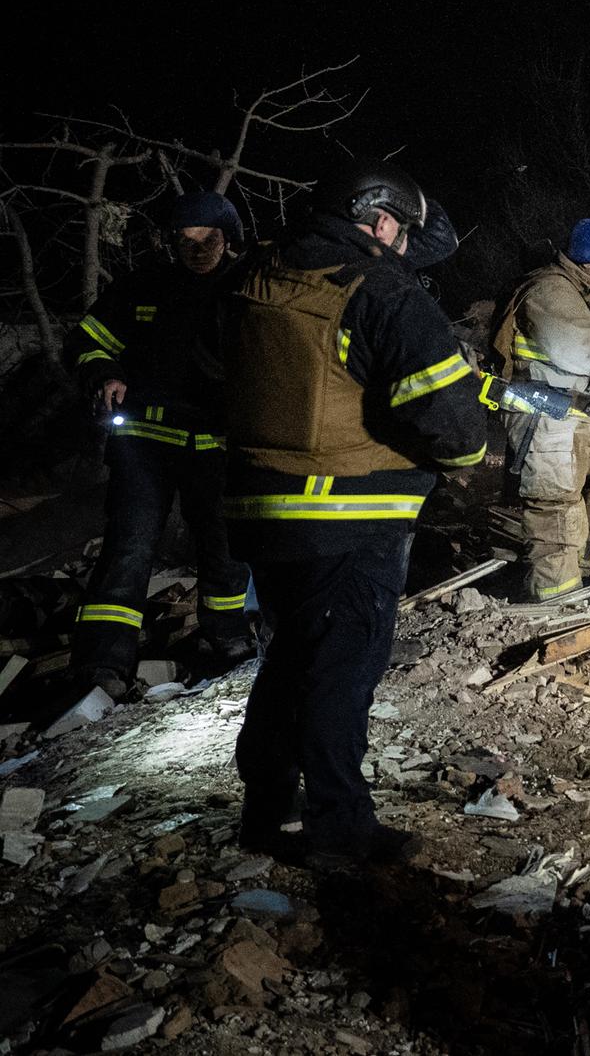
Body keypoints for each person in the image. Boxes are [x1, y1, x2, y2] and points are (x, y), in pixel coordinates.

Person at [219, 163, 486, 867]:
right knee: (344, 665)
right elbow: (455, 426)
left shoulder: (257, 278)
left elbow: (206, 374)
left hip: (258, 509)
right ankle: (340, 829)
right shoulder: (384, 290)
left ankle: (267, 807)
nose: (405, 243)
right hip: (349, 512)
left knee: (292, 653)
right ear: (382, 219)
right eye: (401, 228)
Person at [67, 190, 257, 698]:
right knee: (128, 550)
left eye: (208, 238)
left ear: (228, 238)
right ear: (172, 242)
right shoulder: (144, 286)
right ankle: (102, 666)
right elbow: (87, 339)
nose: (197, 249)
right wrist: (104, 372)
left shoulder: (249, 290)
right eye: (186, 240)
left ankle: (230, 645)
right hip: (145, 445)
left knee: (225, 551)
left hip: (218, 446)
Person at [492, 218, 590, 604]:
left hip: (573, 408)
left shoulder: (580, 293)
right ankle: (555, 599)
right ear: (589, 261)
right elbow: (579, 351)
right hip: (540, 411)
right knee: (558, 504)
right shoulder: (550, 289)